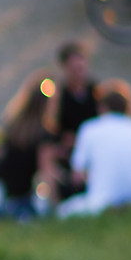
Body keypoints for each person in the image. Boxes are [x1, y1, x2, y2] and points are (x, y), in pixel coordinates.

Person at [58, 80, 131, 215]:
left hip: (101, 202)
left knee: (62, 211)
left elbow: (78, 177)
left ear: (102, 107)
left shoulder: (89, 129)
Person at [0, 74, 52, 218]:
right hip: (26, 197)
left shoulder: (12, 128)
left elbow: (0, 159)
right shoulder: (43, 134)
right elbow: (46, 172)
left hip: (3, 196)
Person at [38, 40, 96, 204]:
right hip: (67, 149)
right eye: (74, 69)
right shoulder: (59, 95)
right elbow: (51, 127)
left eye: (81, 68)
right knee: (46, 153)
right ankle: (53, 202)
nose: (79, 73)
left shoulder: (95, 91)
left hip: (90, 144)